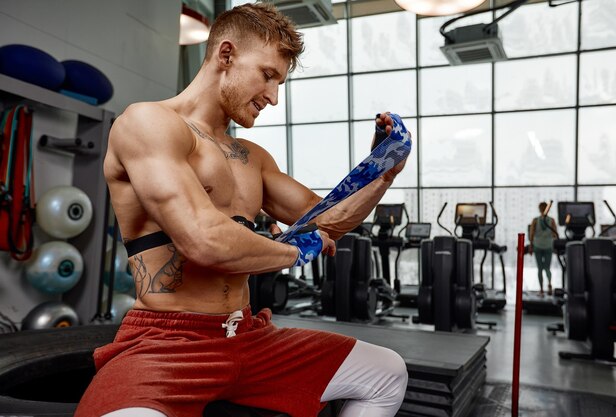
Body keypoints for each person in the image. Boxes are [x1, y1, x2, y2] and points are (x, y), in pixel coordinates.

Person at [75, 3, 411, 417]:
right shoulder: (148, 123)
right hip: (168, 341)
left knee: (385, 371)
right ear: (226, 55)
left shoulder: (253, 157)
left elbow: (324, 220)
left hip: (247, 335)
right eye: (268, 75)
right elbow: (203, 239)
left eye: (280, 82)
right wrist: (296, 250)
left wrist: (379, 173)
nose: (272, 96)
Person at [529, 202, 558, 296]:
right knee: (547, 268)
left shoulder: (535, 220)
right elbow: (555, 234)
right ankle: (549, 284)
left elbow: (531, 234)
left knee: (540, 269)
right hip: (548, 246)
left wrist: (530, 246)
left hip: (538, 246)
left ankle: (541, 289)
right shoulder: (552, 220)